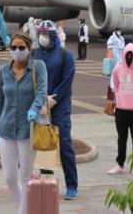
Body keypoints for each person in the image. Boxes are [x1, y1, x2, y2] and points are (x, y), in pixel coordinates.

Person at [0, 33, 47, 214]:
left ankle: (23, 211)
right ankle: (28, 207)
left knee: (25, 177)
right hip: (6, 129)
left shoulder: (38, 67)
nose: (17, 51)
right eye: (13, 47)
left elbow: (42, 92)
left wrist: (34, 108)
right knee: (9, 177)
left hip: (27, 129)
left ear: (29, 50)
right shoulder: (3, 71)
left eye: (21, 48)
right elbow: (0, 101)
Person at [33, 21, 79, 200]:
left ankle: (72, 185)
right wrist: (40, 101)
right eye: (40, 33)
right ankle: (48, 182)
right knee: (45, 145)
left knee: (65, 145)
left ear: (52, 35)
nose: (43, 37)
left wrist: (54, 99)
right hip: (41, 107)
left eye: (45, 34)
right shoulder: (35, 53)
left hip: (59, 106)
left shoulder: (64, 54)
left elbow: (67, 80)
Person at [108, 43, 133, 175]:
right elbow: (114, 85)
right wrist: (120, 97)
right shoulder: (118, 69)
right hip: (121, 110)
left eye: (132, 56)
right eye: (127, 56)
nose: (129, 59)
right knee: (121, 138)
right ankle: (120, 164)